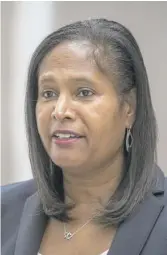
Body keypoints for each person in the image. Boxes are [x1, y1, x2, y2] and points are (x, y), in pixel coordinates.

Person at [1, 19, 167, 255]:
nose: (60, 110)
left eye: (84, 92)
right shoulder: (4, 210)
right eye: (48, 93)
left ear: (129, 107)